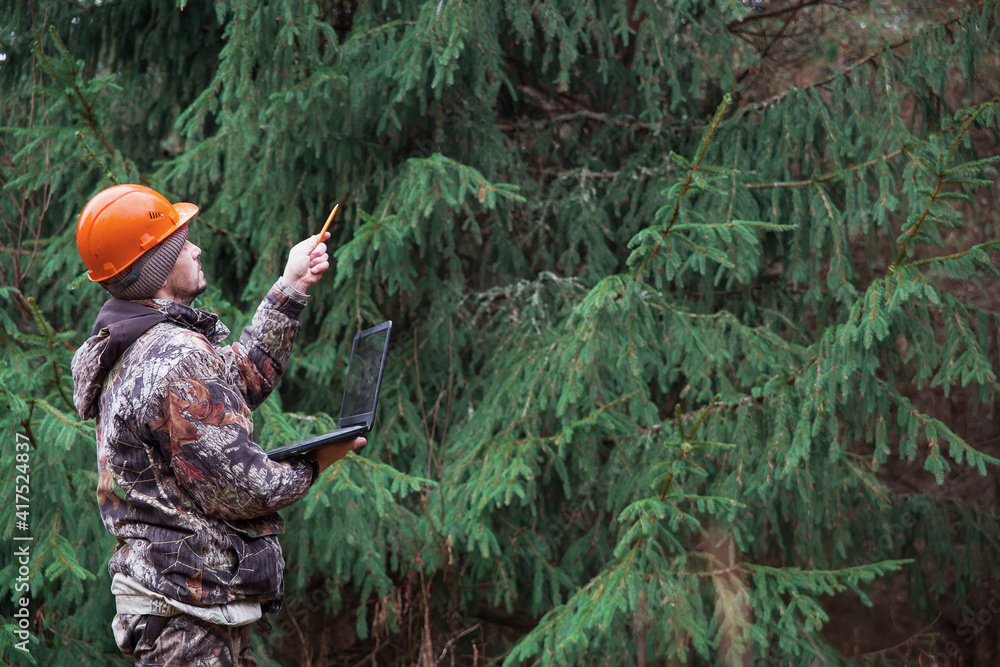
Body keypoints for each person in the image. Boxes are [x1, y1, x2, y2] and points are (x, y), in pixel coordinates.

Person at [70, 184, 363, 666]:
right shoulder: (174, 358)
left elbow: (236, 381)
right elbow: (244, 488)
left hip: (180, 607)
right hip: (187, 619)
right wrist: (317, 462)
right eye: (183, 242)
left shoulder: (135, 347)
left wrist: (289, 289)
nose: (196, 248)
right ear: (159, 266)